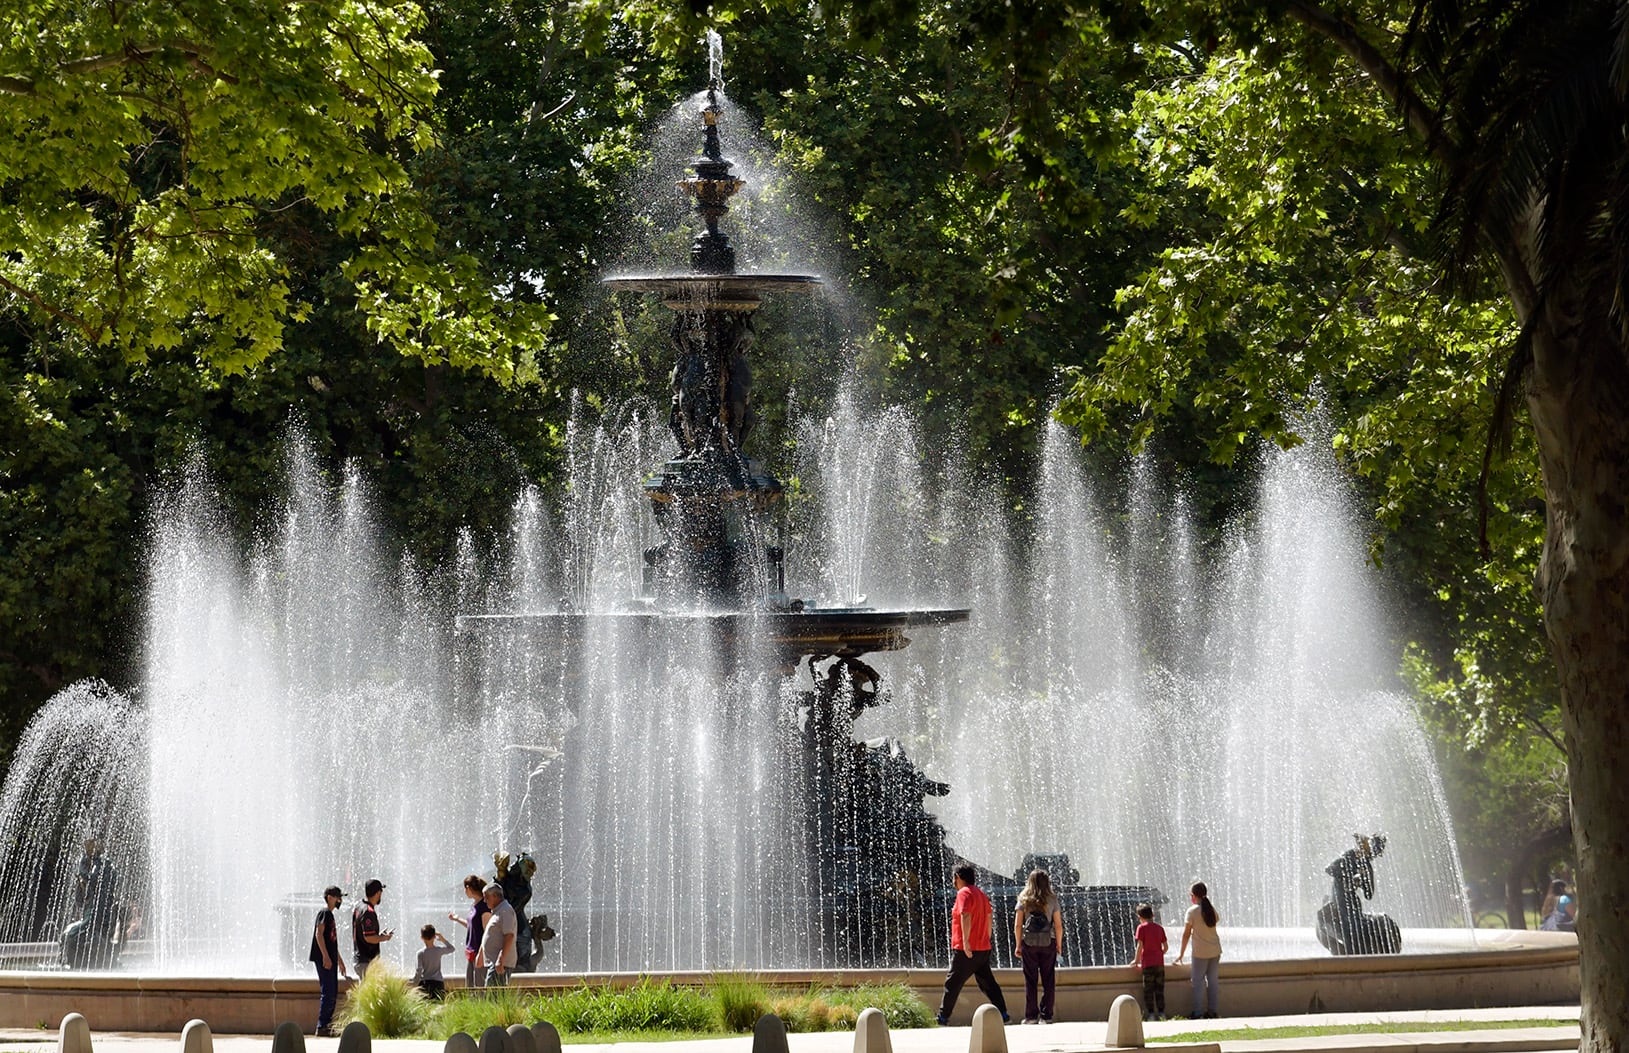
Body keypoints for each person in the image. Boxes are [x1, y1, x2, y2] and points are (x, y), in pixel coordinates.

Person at [935, 862, 1008, 1026]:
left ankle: (942, 1017)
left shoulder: (964, 893)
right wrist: (986, 938)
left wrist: (966, 943)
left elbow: (965, 915)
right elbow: (989, 916)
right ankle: (1003, 1013)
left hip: (967, 949)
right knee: (987, 983)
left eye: (954, 878)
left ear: (959, 877)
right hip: (982, 948)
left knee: (952, 982)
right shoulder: (981, 894)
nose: (953, 882)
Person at [1013, 868, 1062, 1024]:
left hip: (1029, 943)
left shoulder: (1024, 898)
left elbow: (1018, 925)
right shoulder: (1052, 899)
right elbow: (1058, 925)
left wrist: (1018, 944)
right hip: (1049, 942)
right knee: (1049, 979)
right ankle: (1046, 1016)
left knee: (1030, 979)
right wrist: (1059, 944)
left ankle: (1031, 1016)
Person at [308, 886, 352, 1035]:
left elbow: (331, 941)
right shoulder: (324, 913)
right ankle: (322, 1026)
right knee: (328, 991)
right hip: (324, 959)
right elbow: (318, 934)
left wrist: (339, 960)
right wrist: (325, 956)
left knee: (332, 991)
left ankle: (326, 1024)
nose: (340, 900)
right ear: (329, 897)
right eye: (337, 897)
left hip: (330, 959)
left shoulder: (330, 915)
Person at [1174, 881, 1221, 1019]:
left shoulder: (1192, 911)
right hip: (1215, 950)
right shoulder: (1210, 909)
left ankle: (1198, 1012)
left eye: (1190, 895)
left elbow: (1186, 934)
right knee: (1213, 981)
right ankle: (1213, 1011)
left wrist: (1181, 954)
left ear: (1194, 896)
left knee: (1198, 981)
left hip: (1200, 952)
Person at [447, 874, 491, 990]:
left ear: (468, 888)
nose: (464, 891)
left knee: (479, 987)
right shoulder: (475, 905)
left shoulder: (484, 907)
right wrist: (457, 919)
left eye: (464, 888)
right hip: (471, 952)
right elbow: (472, 926)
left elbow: (487, 933)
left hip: (479, 952)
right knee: (470, 987)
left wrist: (481, 955)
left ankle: (482, 1007)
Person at [1129, 902, 1167, 1020]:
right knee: (1159, 989)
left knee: (1148, 990)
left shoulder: (1141, 928)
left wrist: (1136, 960)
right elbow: (1166, 947)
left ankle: (1151, 1014)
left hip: (1148, 964)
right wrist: (1160, 954)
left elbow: (1140, 947)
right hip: (1159, 964)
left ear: (1140, 917)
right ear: (1152, 915)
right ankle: (1162, 1013)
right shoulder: (1159, 928)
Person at [475, 882, 517, 987]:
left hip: (500, 964)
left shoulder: (506, 910)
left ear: (495, 896)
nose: (484, 901)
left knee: (492, 996)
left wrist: (501, 958)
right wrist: (481, 954)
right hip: (494, 962)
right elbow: (489, 934)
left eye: (486, 897)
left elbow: (509, 936)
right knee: (492, 995)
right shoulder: (497, 911)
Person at [351, 878, 395, 979]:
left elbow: (364, 933)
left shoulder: (359, 906)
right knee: (369, 993)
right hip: (366, 961)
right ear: (378, 893)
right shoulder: (368, 911)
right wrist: (385, 938)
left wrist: (379, 936)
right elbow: (369, 937)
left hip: (360, 959)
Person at [413, 924, 455, 1000]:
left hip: (425, 983)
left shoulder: (420, 953)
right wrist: (442, 939)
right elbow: (452, 949)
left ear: (422, 938)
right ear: (434, 937)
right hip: (438, 983)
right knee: (438, 1005)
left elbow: (418, 970)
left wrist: (414, 983)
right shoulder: (438, 950)